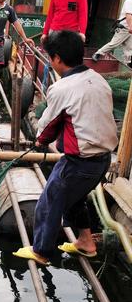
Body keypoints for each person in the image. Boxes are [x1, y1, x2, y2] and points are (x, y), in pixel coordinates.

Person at [13, 30, 118, 266]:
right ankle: (86, 242)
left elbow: (48, 125)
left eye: (50, 58)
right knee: (75, 199)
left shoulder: (62, 87)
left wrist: (39, 140)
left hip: (80, 161)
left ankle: (41, 251)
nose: (51, 62)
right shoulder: (98, 79)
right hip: (103, 159)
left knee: (49, 201)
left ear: (57, 59)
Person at [92, 0, 132, 65]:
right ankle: (98, 53)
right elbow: (128, 15)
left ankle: (128, 65)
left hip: (130, 30)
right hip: (124, 28)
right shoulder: (130, 1)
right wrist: (131, 27)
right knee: (114, 44)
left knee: (129, 49)